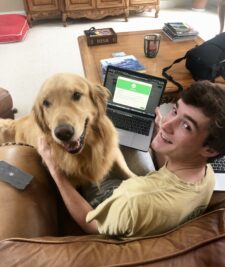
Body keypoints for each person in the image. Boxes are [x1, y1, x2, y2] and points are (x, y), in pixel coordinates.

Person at [37, 80, 225, 237]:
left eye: (186, 126)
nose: (167, 124)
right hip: (143, 196)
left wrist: (56, 171)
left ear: (209, 150)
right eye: (175, 111)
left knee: (99, 137)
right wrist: (159, 135)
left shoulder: (133, 203)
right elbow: (166, 173)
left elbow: (92, 224)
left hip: (109, 200)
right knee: (114, 136)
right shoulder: (206, 175)